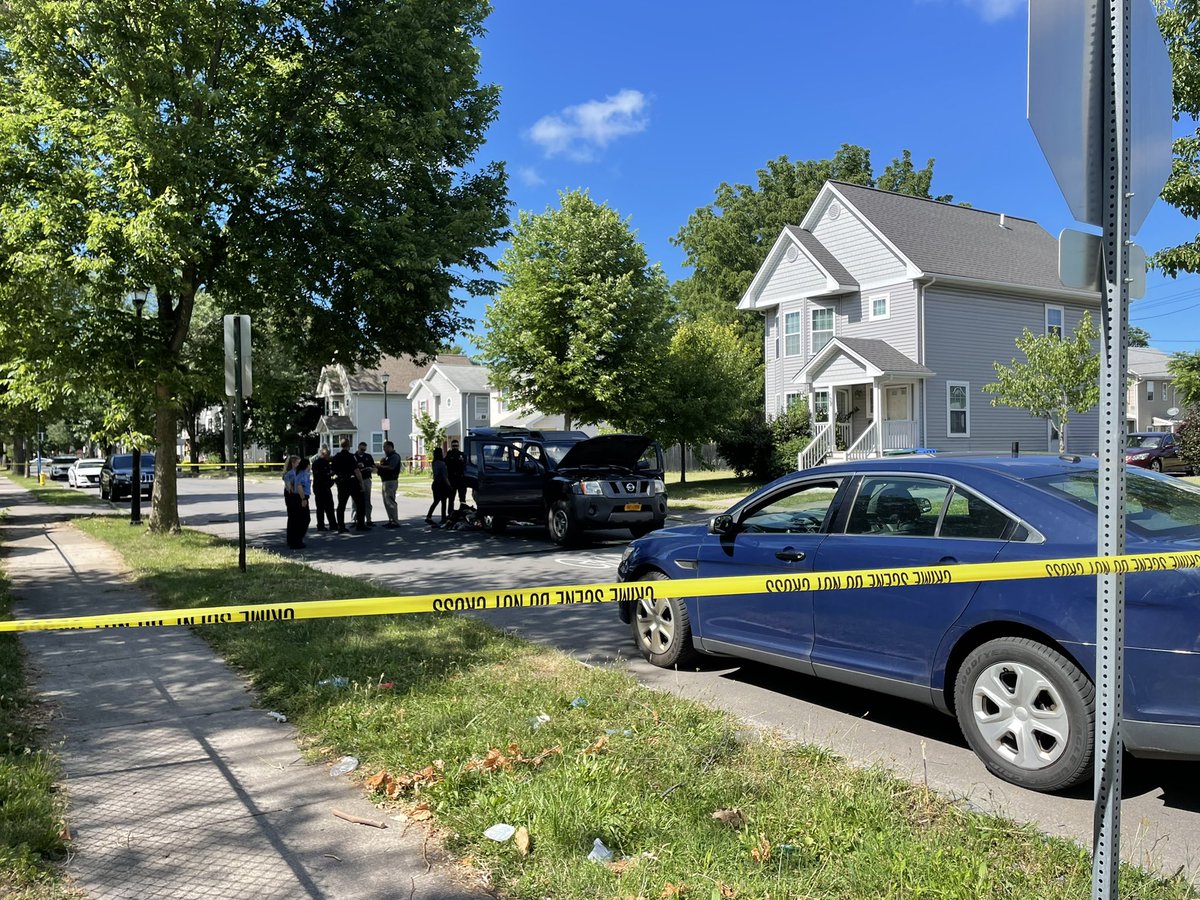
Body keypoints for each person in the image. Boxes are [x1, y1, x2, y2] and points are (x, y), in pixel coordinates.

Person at [331, 438, 364, 532]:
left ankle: (341, 526)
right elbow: (356, 470)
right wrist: (361, 483)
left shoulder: (336, 457)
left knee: (341, 505)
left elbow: (333, 471)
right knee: (360, 503)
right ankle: (360, 524)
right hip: (351, 481)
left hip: (341, 482)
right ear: (349, 446)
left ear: (341, 445)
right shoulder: (351, 456)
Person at [377, 440, 403, 527]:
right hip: (385, 480)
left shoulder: (394, 456)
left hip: (391, 480)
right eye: (383, 447)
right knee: (386, 501)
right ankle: (391, 520)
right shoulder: (387, 457)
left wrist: (379, 466)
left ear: (390, 447)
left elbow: (391, 467)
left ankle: (394, 521)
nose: (384, 449)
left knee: (390, 501)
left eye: (385, 447)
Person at [425, 446, 453, 525]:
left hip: (435, 483)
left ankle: (429, 516)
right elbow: (444, 476)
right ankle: (443, 517)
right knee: (443, 501)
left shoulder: (434, 463)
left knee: (436, 501)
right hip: (442, 484)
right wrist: (449, 485)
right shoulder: (442, 464)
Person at [288, 457, 311, 548]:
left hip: (298, 497)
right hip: (300, 498)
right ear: (307, 465)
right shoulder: (303, 474)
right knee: (303, 520)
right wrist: (303, 499)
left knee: (299, 520)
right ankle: (297, 540)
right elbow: (299, 486)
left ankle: (296, 540)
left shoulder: (299, 473)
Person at [311, 445, 336, 531]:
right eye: (327, 454)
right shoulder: (317, 463)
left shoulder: (326, 463)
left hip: (326, 487)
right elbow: (320, 475)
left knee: (330, 507)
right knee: (321, 508)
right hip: (319, 487)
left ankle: (333, 524)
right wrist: (329, 474)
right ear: (323, 454)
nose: (329, 456)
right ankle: (321, 525)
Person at [354, 441, 376, 526]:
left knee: (367, 500)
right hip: (356, 480)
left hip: (366, 479)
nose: (363, 451)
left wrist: (371, 469)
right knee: (356, 501)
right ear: (358, 448)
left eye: (364, 449)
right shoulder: (354, 457)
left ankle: (368, 519)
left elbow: (374, 467)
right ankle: (355, 520)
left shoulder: (368, 456)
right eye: (361, 449)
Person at [445, 438, 467, 513]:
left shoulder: (462, 454)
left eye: (456, 446)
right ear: (451, 446)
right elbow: (446, 465)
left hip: (461, 478)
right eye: (453, 446)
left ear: (458, 446)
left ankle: (463, 511)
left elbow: (465, 465)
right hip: (452, 479)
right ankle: (450, 512)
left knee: (462, 497)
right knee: (451, 497)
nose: (455, 447)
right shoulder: (449, 455)